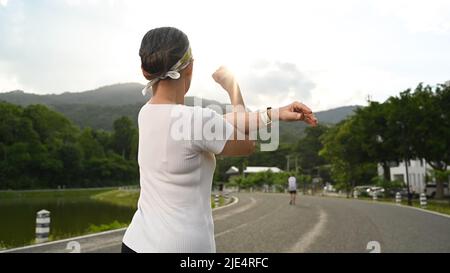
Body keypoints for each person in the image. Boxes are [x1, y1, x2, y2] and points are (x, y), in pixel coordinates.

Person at [121, 27, 318, 253]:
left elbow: (218, 124)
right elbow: (246, 142)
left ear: (146, 69)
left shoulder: (146, 113)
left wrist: (277, 113)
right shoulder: (195, 121)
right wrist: (232, 86)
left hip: (135, 242)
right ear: (190, 67)